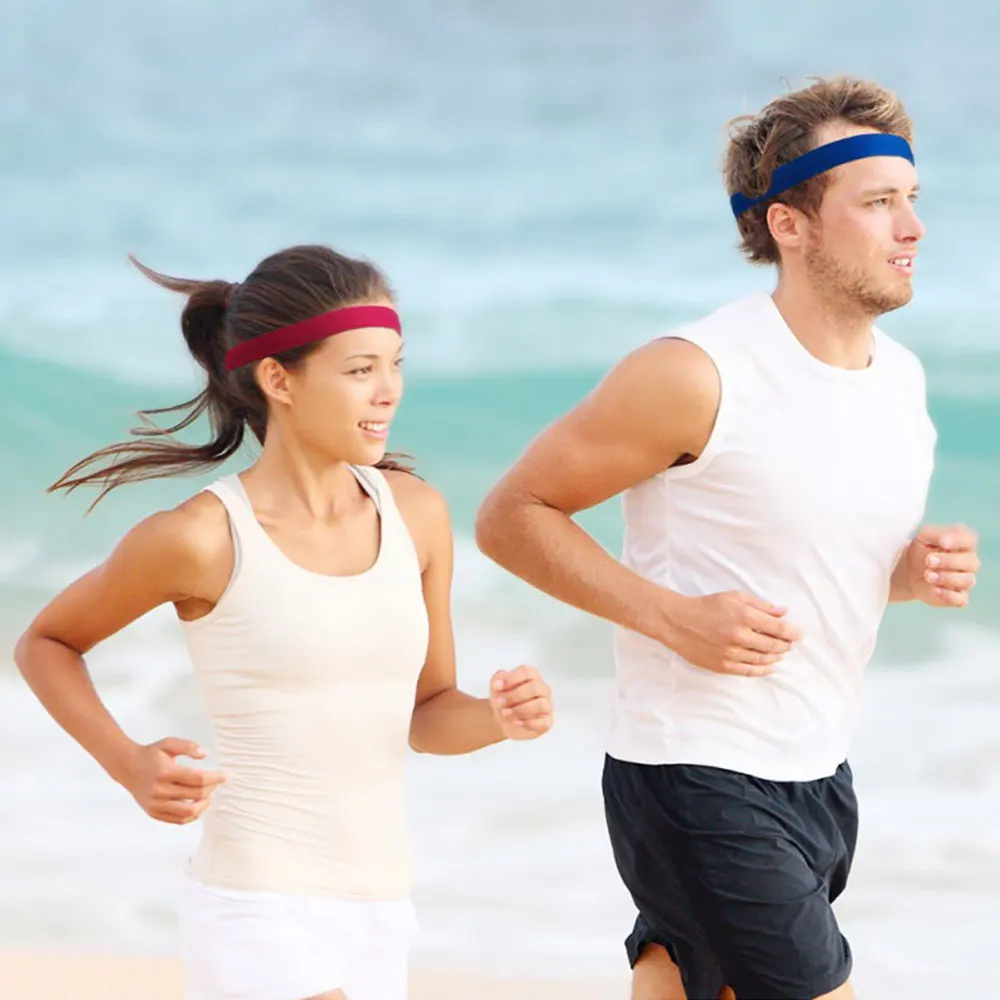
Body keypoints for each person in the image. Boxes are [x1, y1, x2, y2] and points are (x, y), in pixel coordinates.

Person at [474, 75, 980, 1000]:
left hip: (817, 769)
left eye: (912, 200)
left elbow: (817, 561)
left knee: (680, 984)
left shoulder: (898, 382)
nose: (912, 228)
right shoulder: (696, 373)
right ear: (791, 225)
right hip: (698, 769)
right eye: (877, 204)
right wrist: (673, 619)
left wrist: (908, 573)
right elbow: (512, 516)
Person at [14, 244, 555, 1000]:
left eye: (395, 364)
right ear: (279, 379)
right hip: (257, 904)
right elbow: (47, 642)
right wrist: (128, 763)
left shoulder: (416, 515)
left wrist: (499, 718)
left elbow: (427, 714)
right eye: (360, 369)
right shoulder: (201, 538)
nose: (388, 392)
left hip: (379, 908)